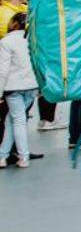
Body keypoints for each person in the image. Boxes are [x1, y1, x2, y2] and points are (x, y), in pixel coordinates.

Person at [0, 11, 38, 168]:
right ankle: (2, 155)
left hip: (13, 87)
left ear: (13, 23)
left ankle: (23, 156)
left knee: (17, 121)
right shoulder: (34, 39)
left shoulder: (6, 41)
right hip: (32, 85)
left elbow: (3, 70)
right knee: (13, 119)